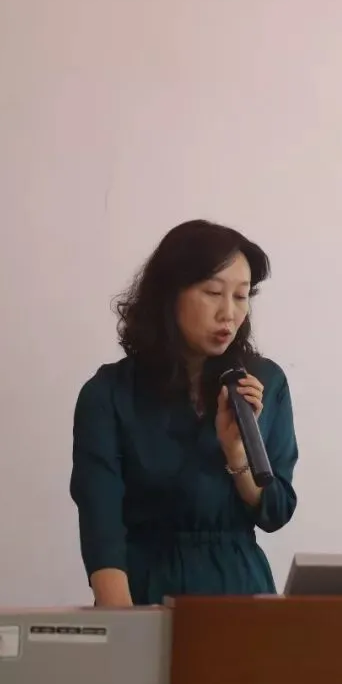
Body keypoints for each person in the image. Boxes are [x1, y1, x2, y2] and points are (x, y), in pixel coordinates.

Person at [69, 220, 299, 607]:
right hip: (147, 590)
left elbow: (275, 513)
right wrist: (124, 624)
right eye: (213, 293)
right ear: (169, 294)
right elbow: (101, 527)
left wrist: (237, 453)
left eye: (241, 296)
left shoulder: (263, 383)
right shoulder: (108, 394)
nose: (229, 313)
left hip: (241, 590)